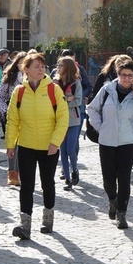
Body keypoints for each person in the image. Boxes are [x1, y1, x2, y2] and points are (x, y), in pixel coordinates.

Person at [6, 52, 68, 240]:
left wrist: (55, 142)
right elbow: (13, 119)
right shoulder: (19, 92)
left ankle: (47, 219)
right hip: (26, 145)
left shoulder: (53, 90)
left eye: (42, 66)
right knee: (27, 186)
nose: (41, 69)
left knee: (47, 182)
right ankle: (25, 225)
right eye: (36, 66)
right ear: (26, 70)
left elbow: (63, 117)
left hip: (48, 146)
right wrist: (10, 144)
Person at [87, 58, 133, 229]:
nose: (126, 79)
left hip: (128, 141)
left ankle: (122, 213)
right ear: (118, 74)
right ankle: (112, 200)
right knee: (108, 179)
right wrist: (100, 127)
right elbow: (92, 109)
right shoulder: (107, 90)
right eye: (123, 75)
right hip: (107, 141)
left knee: (124, 178)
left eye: (130, 76)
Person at [0, 51, 27, 185]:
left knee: (24, 146)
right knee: (12, 145)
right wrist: (6, 112)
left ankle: (22, 173)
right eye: (20, 62)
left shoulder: (36, 79)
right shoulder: (10, 77)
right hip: (12, 114)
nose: (23, 65)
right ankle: (12, 173)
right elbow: (0, 97)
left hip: (29, 116)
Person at [54, 56, 83, 190]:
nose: (58, 68)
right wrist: (67, 99)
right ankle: (67, 178)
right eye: (58, 65)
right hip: (59, 120)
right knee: (63, 151)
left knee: (71, 149)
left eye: (61, 66)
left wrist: (64, 100)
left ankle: (75, 170)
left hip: (73, 120)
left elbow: (78, 101)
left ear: (68, 68)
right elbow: (54, 101)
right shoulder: (55, 82)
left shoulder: (76, 83)